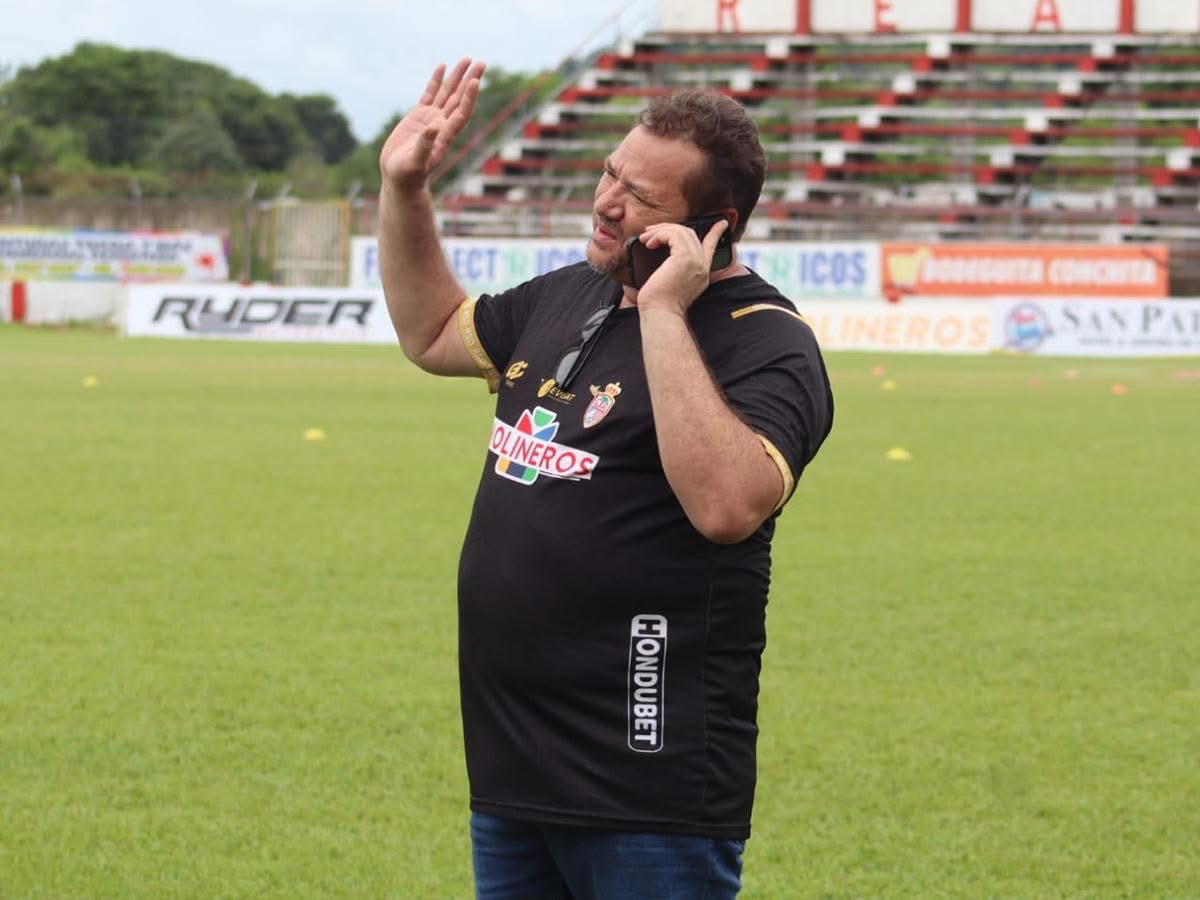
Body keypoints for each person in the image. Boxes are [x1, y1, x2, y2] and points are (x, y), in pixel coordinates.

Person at [378, 58, 834, 899]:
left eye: (640, 196)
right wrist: (405, 190)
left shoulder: (767, 340)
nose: (606, 203)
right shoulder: (570, 296)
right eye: (609, 173)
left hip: (646, 785)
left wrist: (661, 308)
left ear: (714, 227)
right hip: (513, 765)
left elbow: (727, 506)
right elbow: (433, 331)